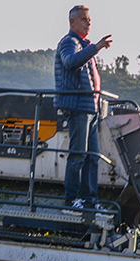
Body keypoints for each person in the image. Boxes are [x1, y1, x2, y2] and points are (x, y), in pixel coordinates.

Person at [55, 5, 113, 213]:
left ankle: (90, 200)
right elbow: (70, 62)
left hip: (90, 109)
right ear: (72, 22)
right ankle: (71, 201)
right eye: (83, 19)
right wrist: (96, 47)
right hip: (78, 108)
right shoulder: (69, 43)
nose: (88, 22)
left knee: (92, 157)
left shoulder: (83, 44)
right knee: (78, 154)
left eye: (89, 19)